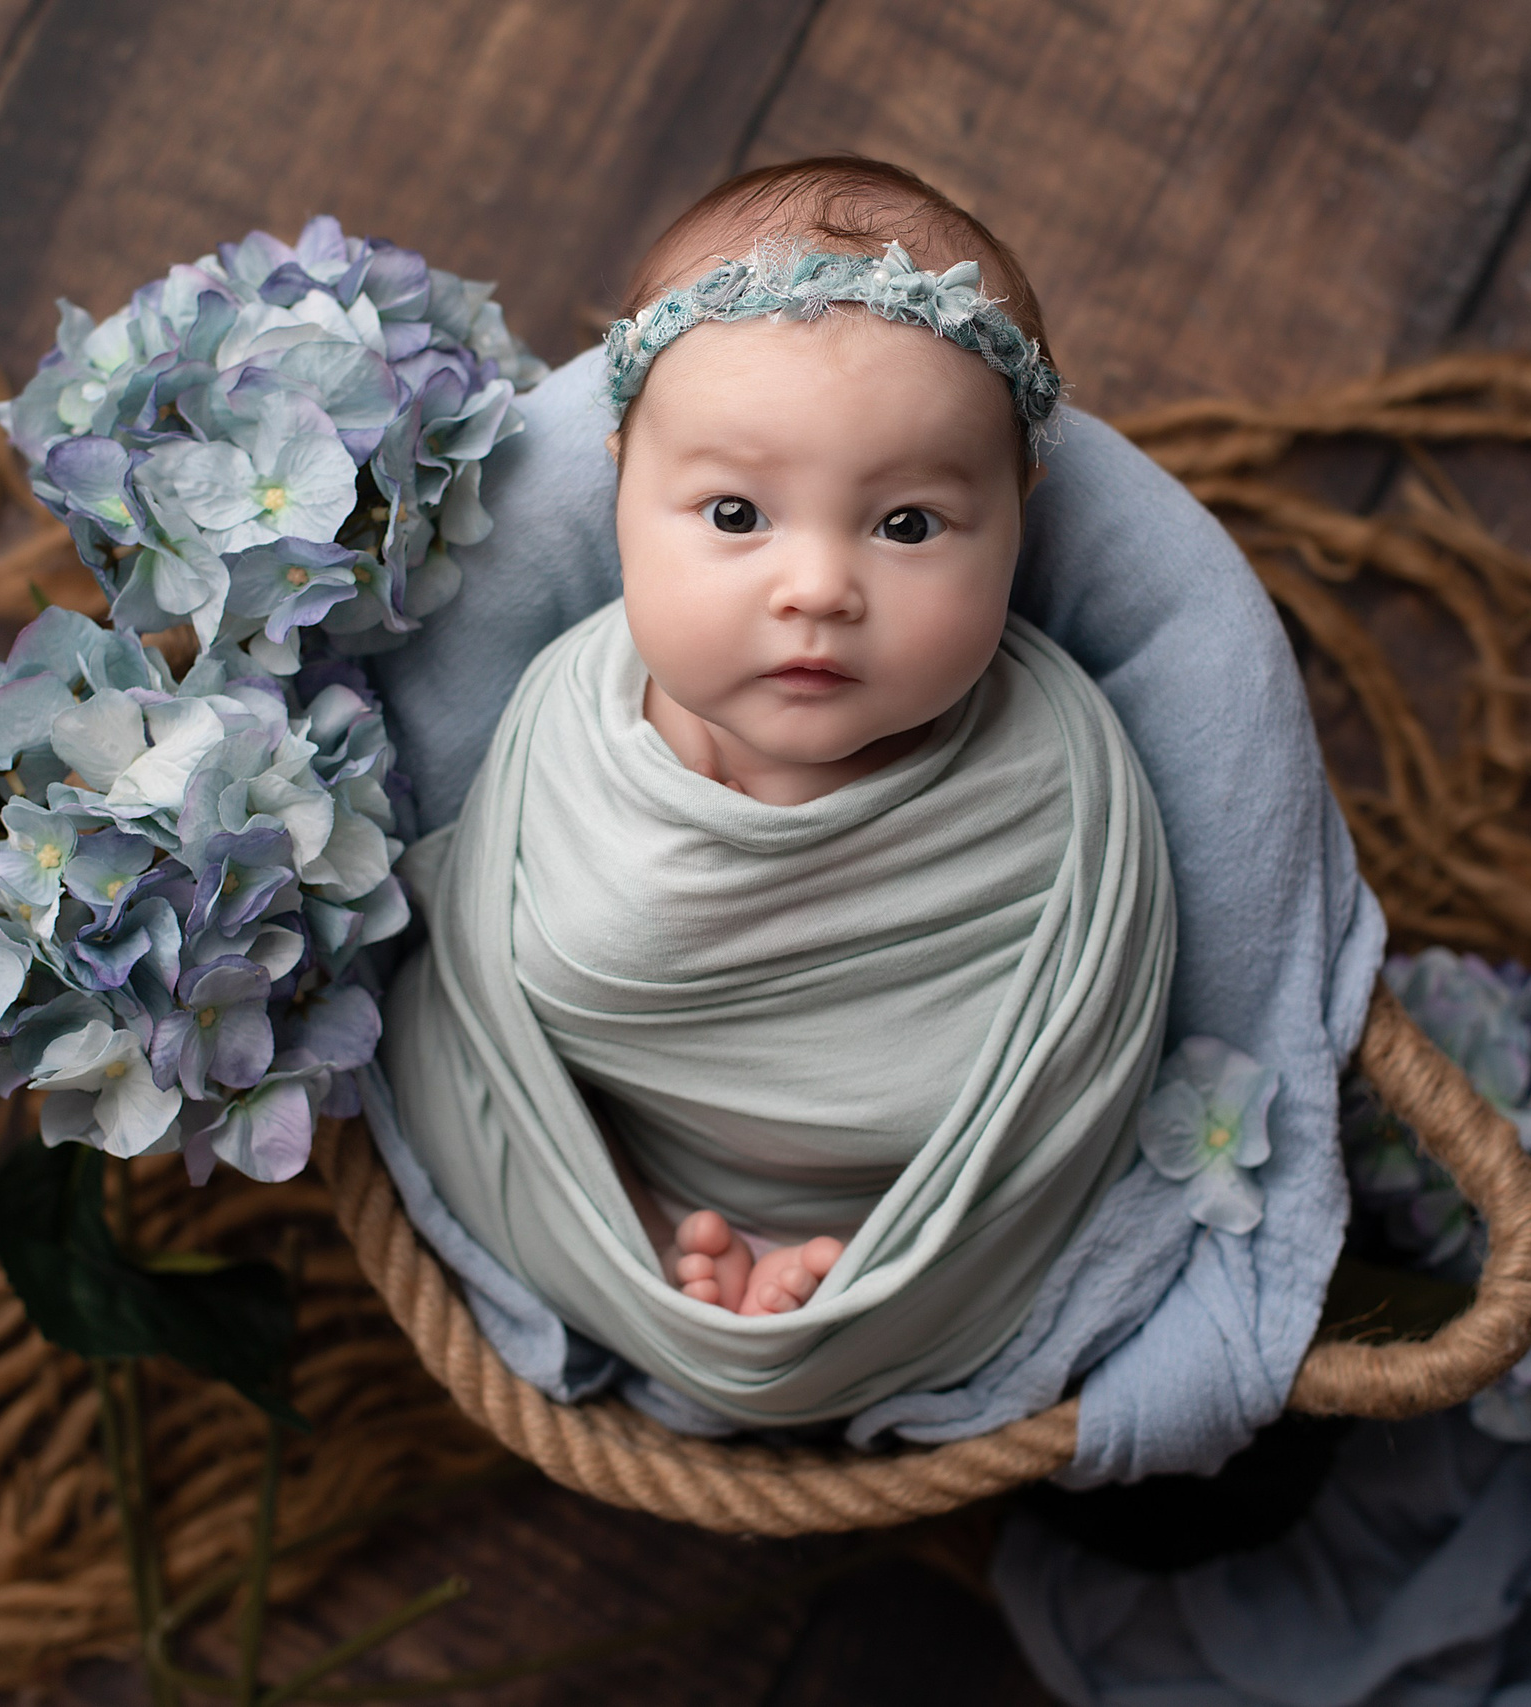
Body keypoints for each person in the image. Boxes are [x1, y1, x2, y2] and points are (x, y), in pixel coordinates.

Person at [379, 159, 1180, 1421]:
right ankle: (650, 1238)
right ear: (622, 488)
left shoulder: (1059, 774)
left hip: (928, 1201)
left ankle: (844, 1274)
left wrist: (896, 1227)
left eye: (907, 526)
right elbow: (479, 1009)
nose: (816, 587)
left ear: (1016, 521)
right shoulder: (564, 723)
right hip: (610, 1152)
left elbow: (1078, 1063)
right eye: (737, 512)